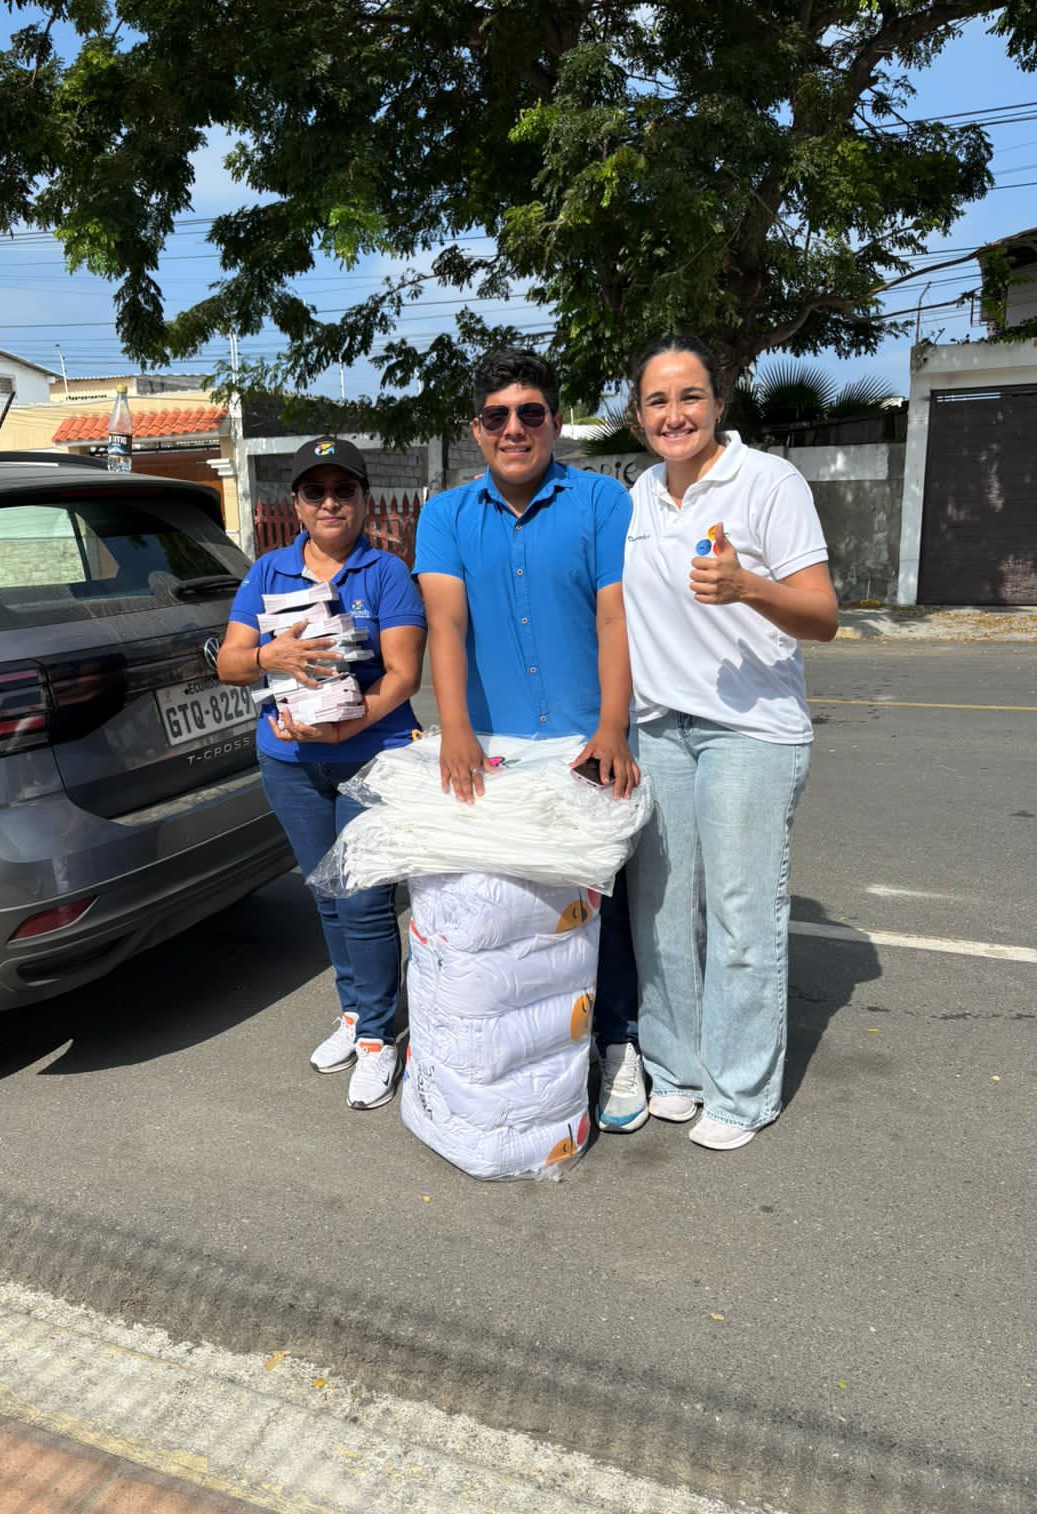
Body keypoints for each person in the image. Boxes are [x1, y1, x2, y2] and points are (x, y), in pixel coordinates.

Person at [413, 348, 648, 1134]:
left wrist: (612, 725)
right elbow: (445, 623)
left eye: (530, 412)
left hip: (587, 741)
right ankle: (536, 1061)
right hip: (495, 750)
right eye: (496, 416)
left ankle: (616, 1040)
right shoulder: (446, 516)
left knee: (602, 903)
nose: (513, 429)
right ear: (476, 428)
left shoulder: (601, 502)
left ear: (554, 419)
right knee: (518, 916)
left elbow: (615, 616)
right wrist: (454, 729)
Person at [621, 333, 839, 1150]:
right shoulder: (639, 495)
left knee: (742, 914)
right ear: (638, 415)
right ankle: (676, 1071)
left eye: (690, 396)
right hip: (658, 728)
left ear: (719, 402)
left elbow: (823, 616)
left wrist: (747, 585)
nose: (674, 414)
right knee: (662, 914)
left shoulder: (769, 482)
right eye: (657, 400)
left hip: (749, 731)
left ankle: (741, 1091)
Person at [217, 436, 426, 1110]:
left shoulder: (385, 573)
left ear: (364, 501)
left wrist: (346, 727)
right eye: (316, 492)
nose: (330, 502)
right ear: (297, 504)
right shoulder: (267, 573)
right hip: (291, 763)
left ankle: (378, 1038)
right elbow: (229, 663)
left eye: (343, 490)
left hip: (371, 757)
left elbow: (403, 675)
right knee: (326, 895)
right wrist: (269, 656)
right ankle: (355, 1012)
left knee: (363, 900)